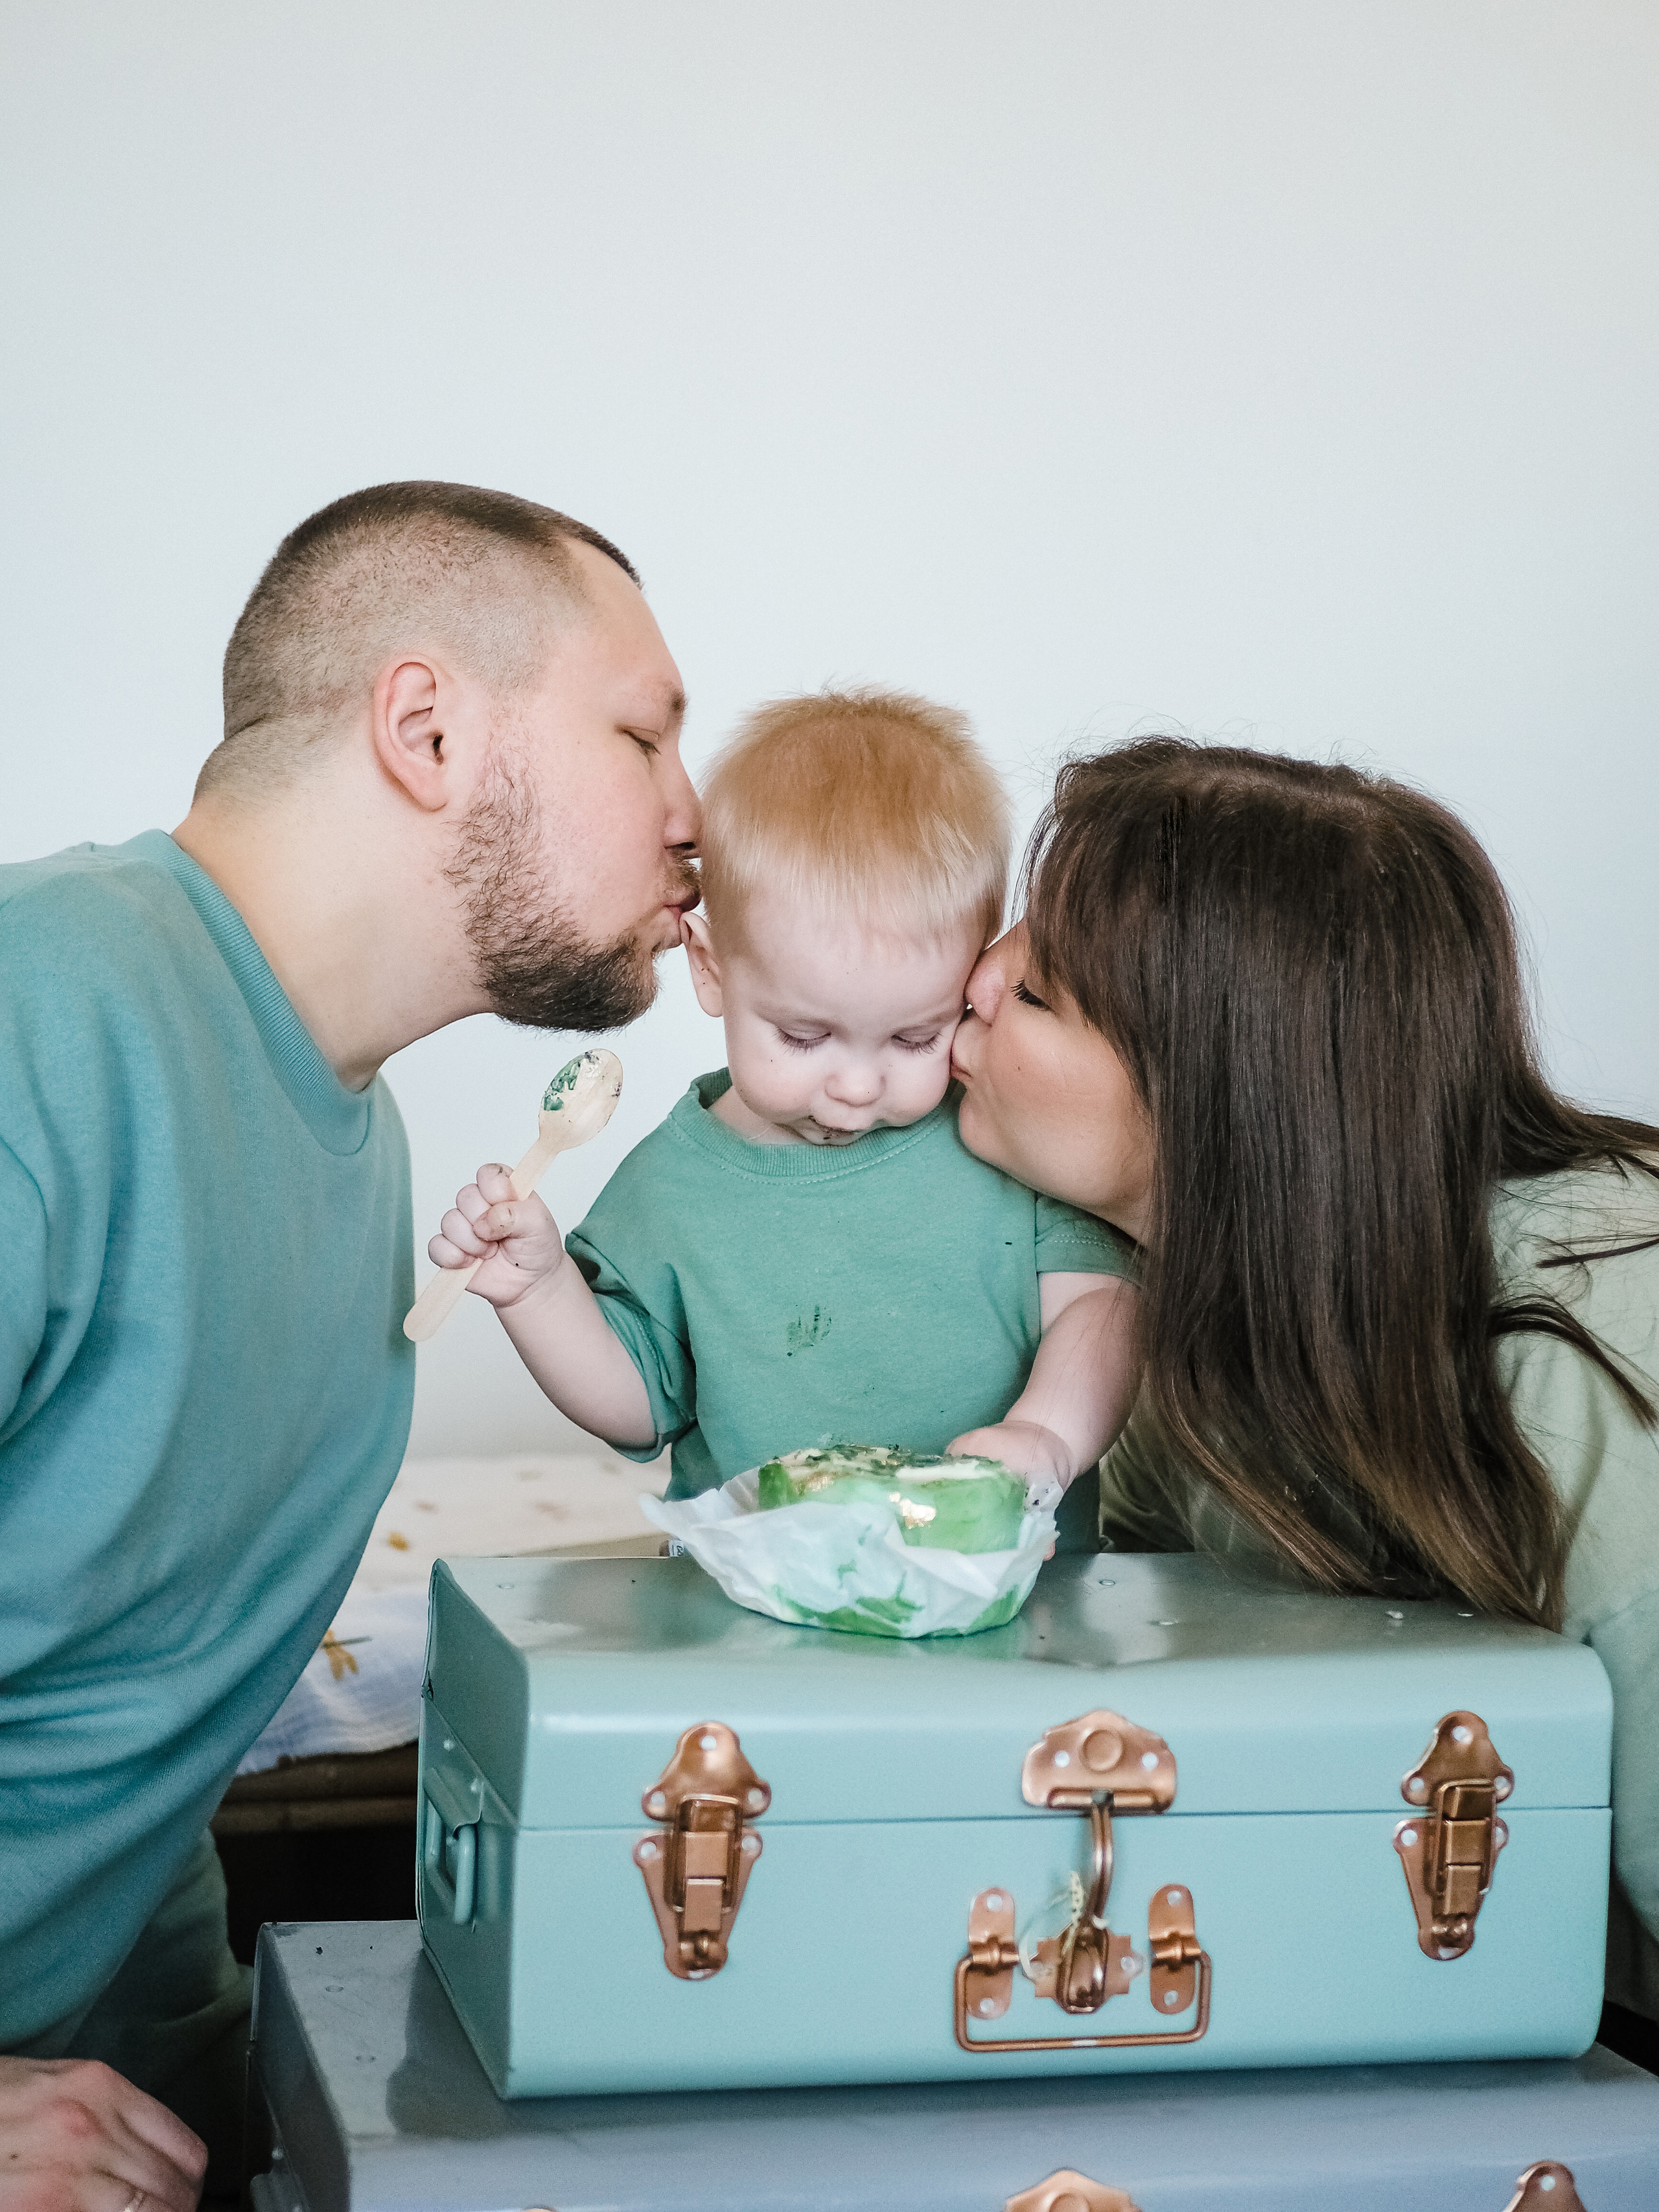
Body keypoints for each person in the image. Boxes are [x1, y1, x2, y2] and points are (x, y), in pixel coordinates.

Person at [0, 482, 699, 2207]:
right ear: (428, 726)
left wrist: (251, 2115)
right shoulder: (45, 1029)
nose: (701, 821)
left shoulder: (356, 1142)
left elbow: (126, 1747)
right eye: (644, 738)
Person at [950, 734, 1659, 2040]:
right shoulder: (1184, 1330)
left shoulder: (1584, 1371)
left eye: (1039, 989)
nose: (973, 979)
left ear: (1216, 1094)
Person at [428, 690, 1139, 1517]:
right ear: (711, 968)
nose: (856, 1085)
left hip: (1004, 1602)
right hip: (754, 1611)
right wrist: (540, 1292)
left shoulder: (999, 1139)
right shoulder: (670, 1188)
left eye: (916, 1037)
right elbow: (639, 1407)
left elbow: (1104, 1303)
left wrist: (1046, 1436)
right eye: (804, 1037)